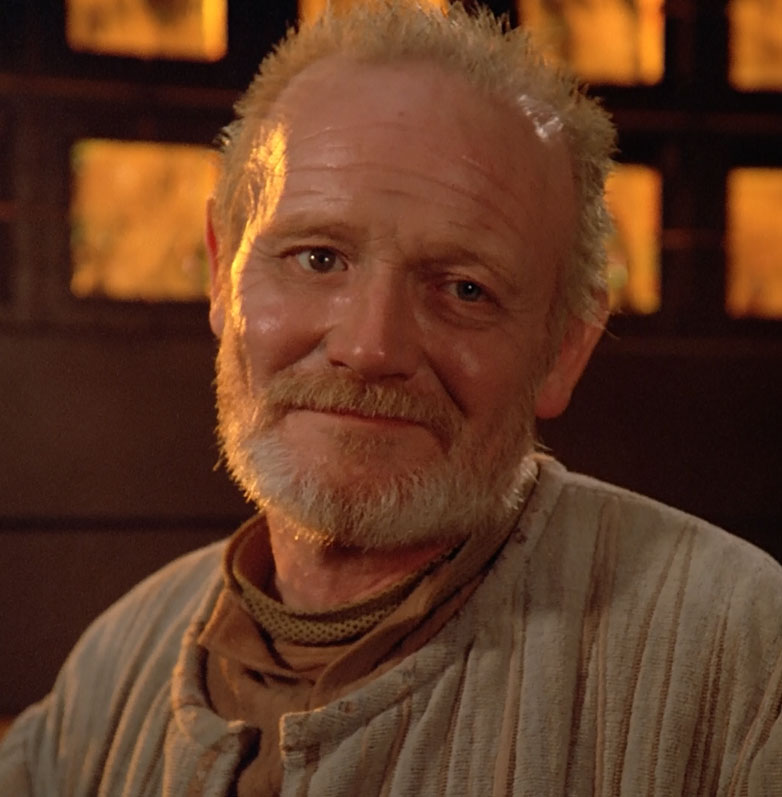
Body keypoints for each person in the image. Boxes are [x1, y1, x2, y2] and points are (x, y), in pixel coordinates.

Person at [2, 2, 781, 795]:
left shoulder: (745, 664)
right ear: (220, 273)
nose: (371, 347)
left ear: (565, 349)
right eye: (317, 258)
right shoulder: (111, 669)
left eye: (465, 288)